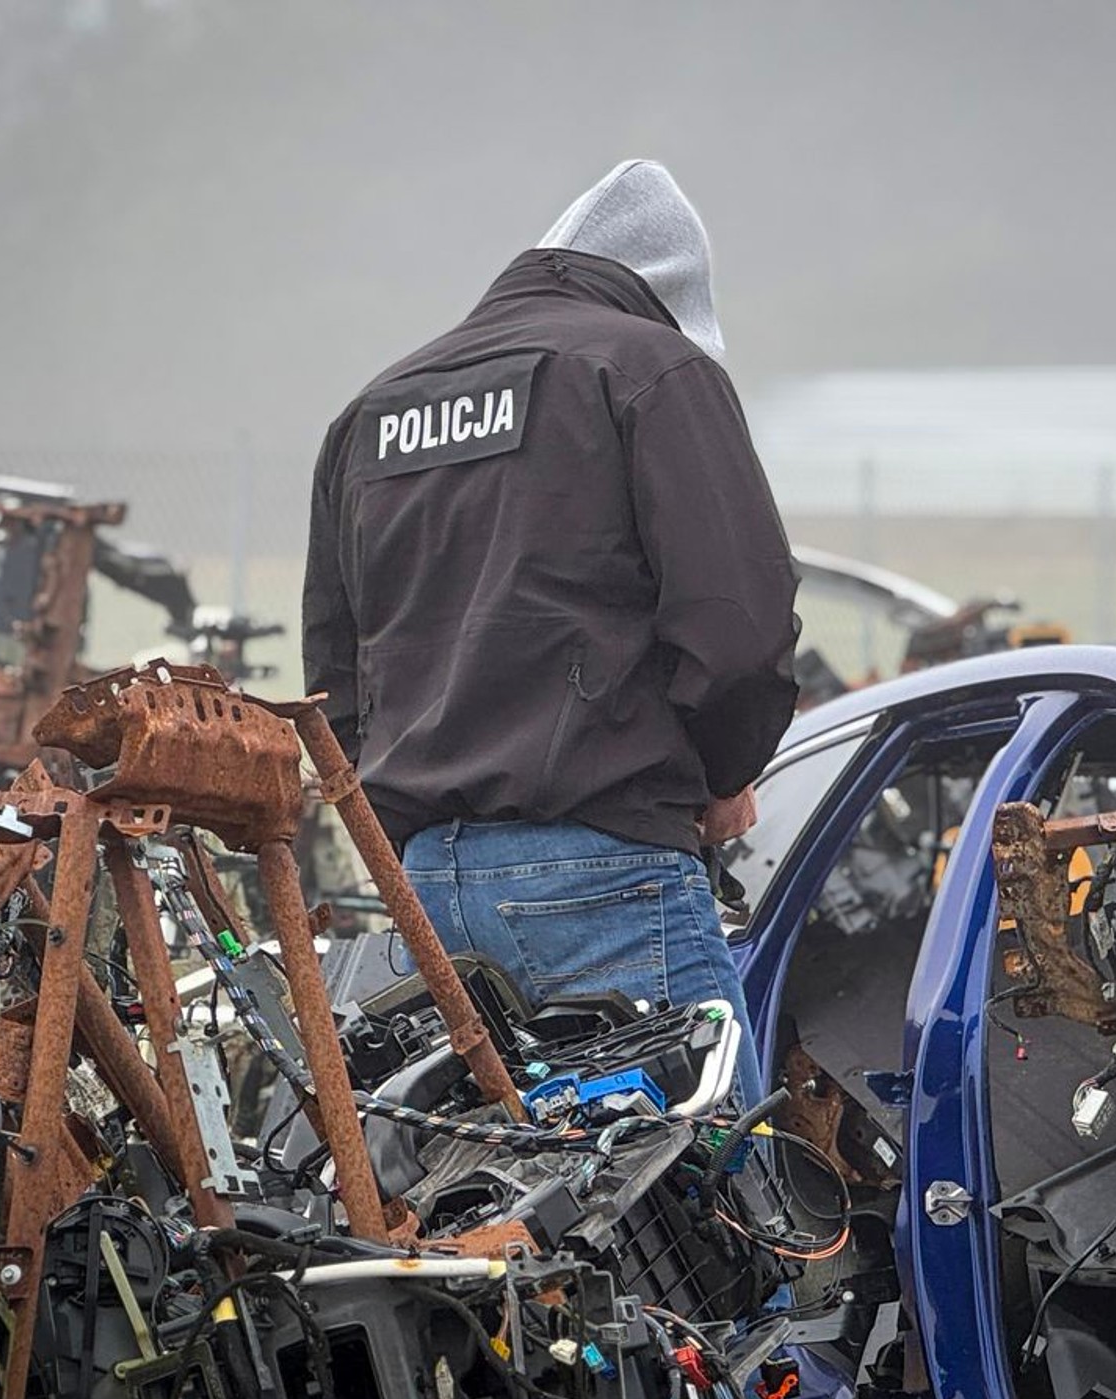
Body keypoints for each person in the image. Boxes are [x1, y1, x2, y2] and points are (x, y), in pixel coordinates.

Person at [302, 159, 799, 1103]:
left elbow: (332, 680)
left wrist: (407, 817)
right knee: (717, 1214)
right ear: (669, 299)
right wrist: (724, 775)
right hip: (604, 866)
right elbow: (738, 627)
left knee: (495, 1217)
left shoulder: (373, 410)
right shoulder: (652, 369)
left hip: (423, 889)